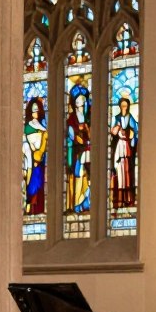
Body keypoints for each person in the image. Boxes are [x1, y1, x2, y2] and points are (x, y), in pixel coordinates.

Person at [64, 83, 90, 214]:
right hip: (75, 151)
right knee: (77, 174)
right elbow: (71, 134)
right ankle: (76, 203)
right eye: (79, 100)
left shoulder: (88, 118)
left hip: (87, 149)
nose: (82, 102)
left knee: (86, 174)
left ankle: (85, 202)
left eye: (84, 99)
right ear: (74, 103)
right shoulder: (71, 119)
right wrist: (77, 137)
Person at [109, 97, 138, 209]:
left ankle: (128, 199)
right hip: (119, 147)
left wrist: (131, 136)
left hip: (127, 147)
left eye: (126, 106)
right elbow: (113, 132)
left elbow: (135, 131)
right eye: (122, 106)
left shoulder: (130, 118)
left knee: (127, 173)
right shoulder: (117, 118)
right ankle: (119, 199)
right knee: (119, 172)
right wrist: (117, 129)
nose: (124, 108)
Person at [21, 97, 46, 215]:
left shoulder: (42, 126)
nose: (35, 112)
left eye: (37, 110)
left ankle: (38, 208)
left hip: (41, 161)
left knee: (40, 184)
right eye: (33, 110)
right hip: (30, 160)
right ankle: (30, 208)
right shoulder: (27, 127)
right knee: (32, 184)